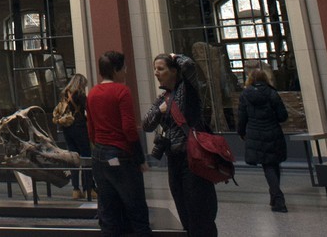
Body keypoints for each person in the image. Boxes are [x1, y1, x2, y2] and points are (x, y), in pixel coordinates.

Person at [143, 53, 218, 237]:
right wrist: (160, 111)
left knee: (199, 210)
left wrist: (175, 56)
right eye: (155, 69)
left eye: (161, 68)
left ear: (174, 71)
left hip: (193, 158)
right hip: (174, 159)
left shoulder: (187, 90)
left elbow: (190, 66)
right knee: (183, 208)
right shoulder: (162, 98)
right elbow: (146, 124)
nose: (156, 73)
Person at [87, 50, 152, 237]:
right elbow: (129, 128)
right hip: (121, 154)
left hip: (99, 154)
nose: (126, 71)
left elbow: (91, 128)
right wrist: (140, 158)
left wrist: (99, 146)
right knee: (136, 209)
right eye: (124, 68)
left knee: (108, 212)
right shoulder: (122, 91)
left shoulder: (92, 93)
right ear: (116, 70)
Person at [236, 65, 289, 213]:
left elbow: (242, 117)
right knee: (273, 163)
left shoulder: (245, 95)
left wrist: (241, 132)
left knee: (268, 165)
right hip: (273, 131)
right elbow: (282, 116)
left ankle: (277, 197)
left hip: (255, 133)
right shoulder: (272, 93)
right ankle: (276, 196)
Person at [57, 72, 93, 200]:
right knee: (85, 157)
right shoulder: (80, 95)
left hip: (67, 128)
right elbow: (89, 110)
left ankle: (76, 189)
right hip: (79, 127)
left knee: (73, 158)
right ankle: (89, 188)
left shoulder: (64, 94)